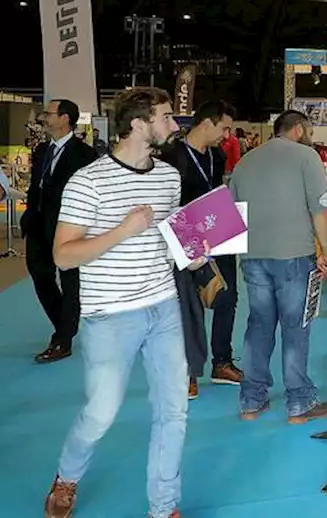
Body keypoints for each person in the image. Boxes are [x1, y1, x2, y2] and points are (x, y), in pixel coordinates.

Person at [43, 87, 202, 518]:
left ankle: (163, 507)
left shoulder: (169, 176)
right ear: (137, 123)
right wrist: (121, 231)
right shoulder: (87, 181)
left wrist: (192, 255)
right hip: (109, 316)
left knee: (174, 411)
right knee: (100, 412)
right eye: (167, 118)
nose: (174, 126)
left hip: (164, 307)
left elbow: (170, 240)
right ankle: (67, 477)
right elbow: (63, 254)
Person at [231, 110, 327, 424]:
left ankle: (251, 400)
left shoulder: (245, 161)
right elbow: (321, 208)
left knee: (259, 326)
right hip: (293, 255)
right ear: (299, 129)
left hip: (253, 257)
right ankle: (299, 404)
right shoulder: (307, 157)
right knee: (295, 328)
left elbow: (232, 211)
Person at [157, 100, 243, 399]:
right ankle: (188, 372)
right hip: (184, 234)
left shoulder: (217, 155)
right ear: (207, 123)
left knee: (227, 296)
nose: (227, 135)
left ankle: (222, 362)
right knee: (189, 306)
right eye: (224, 127)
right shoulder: (171, 156)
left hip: (218, 232)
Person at [24, 98, 98, 364]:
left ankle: (63, 338)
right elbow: (37, 186)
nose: (44, 117)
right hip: (37, 226)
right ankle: (66, 324)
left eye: (49, 113)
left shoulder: (85, 155)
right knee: (39, 275)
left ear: (65, 118)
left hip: (68, 228)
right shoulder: (42, 150)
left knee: (71, 283)